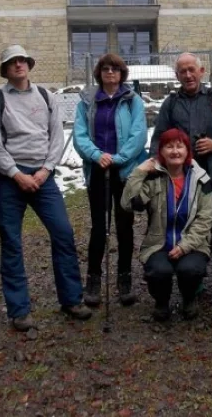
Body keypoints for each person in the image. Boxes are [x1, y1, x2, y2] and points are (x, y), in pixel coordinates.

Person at [0, 45, 92, 331]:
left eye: (22, 60)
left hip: (44, 179)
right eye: (12, 62)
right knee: (11, 243)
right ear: (5, 69)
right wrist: (16, 174)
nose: (18, 65)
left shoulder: (46, 96)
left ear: (29, 64)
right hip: (9, 180)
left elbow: (57, 137)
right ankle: (19, 311)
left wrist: (45, 171)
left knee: (64, 234)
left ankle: (71, 299)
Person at [149, 53, 212, 303]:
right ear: (177, 76)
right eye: (182, 72)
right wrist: (155, 165)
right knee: (187, 227)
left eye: (192, 70)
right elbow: (159, 136)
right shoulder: (171, 103)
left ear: (201, 71)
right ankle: (193, 279)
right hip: (185, 178)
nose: (188, 75)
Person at [72, 53, 148, 307]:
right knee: (98, 227)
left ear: (122, 73)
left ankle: (124, 279)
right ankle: (93, 279)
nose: (110, 73)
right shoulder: (87, 101)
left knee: (124, 226)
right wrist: (97, 155)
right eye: (105, 69)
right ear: (99, 73)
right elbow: (79, 134)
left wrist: (118, 158)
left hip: (124, 170)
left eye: (115, 69)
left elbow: (139, 134)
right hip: (97, 171)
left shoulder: (132, 100)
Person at [122, 128, 212, 321]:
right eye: (169, 147)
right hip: (159, 243)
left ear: (187, 151)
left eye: (180, 146)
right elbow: (128, 204)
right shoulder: (154, 178)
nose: (175, 151)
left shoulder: (201, 179)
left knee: (190, 270)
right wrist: (139, 172)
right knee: (158, 271)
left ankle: (189, 298)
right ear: (160, 152)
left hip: (193, 244)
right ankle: (161, 302)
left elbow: (205, 219)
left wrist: (185, 246)